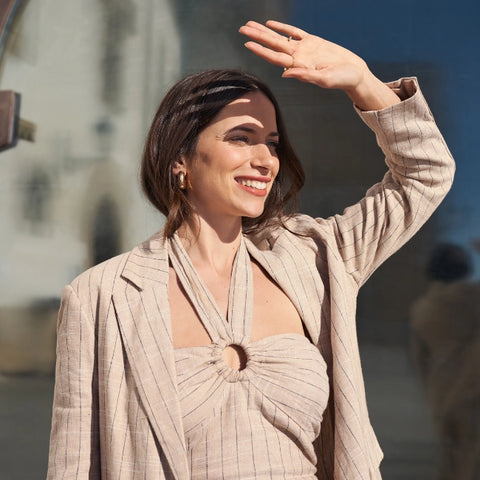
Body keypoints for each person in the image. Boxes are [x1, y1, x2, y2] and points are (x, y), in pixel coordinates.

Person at [46, 20, 455, 480]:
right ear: (180, 159)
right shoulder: (101, 297)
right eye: (241, 138)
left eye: (273, 144)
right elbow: (74, 464)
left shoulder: (314, 258)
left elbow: (425, 175)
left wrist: (362, 82)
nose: (265, 160)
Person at [410, 244, 480, 479]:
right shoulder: (473, 300)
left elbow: (420, 360)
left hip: (441, 395)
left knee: (449, 463)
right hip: (473, 395)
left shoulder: (422, 309)